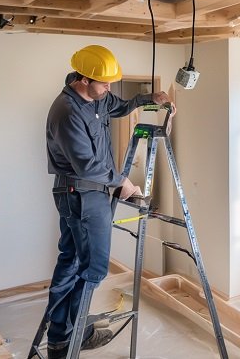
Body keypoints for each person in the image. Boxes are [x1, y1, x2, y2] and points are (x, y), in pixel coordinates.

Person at [45, 44, 173, 359]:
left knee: (72, 262)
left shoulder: (97, 99)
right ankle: (76, 334)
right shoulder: (67, 111)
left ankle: (59, 336)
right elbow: (87, 166)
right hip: (82, 194)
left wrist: (148, 99)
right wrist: (123, 182)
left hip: (89, 192)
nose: (109, 88)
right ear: (83, 79)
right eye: (104, 83)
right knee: (94, 268)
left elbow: (119, 106)